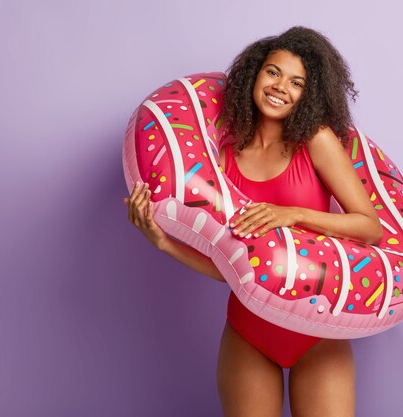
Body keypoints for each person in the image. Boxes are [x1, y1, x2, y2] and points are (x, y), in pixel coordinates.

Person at [124, 26, 382, 417]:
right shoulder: (225, 161)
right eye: (273, 72)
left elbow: (369, 227)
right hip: (249, 333)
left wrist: (291, 215)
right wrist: (162, 242)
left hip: (318, 336)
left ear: (308, 94)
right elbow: (232, 267)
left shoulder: (315, 141)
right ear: (254, 74)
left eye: (297, 82)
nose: (280, 87)